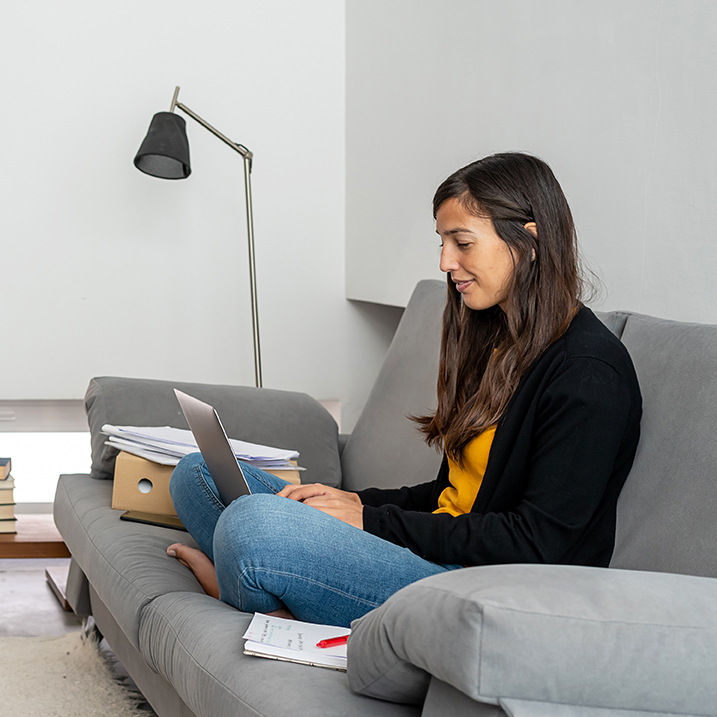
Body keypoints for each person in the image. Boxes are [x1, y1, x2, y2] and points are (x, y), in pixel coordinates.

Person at [167, 152, 642, 628]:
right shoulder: (499, 341)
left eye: (462, 243)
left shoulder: (589, 373)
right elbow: (449, 497)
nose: (445, 262)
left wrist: (369, 523)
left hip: (485, 588)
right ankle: (261, 589)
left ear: (530, 241)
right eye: (441, 242)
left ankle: (252, 589)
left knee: (253, 526)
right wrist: (356, 502)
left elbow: (537, 540)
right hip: (435, 553)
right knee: (198, 474)